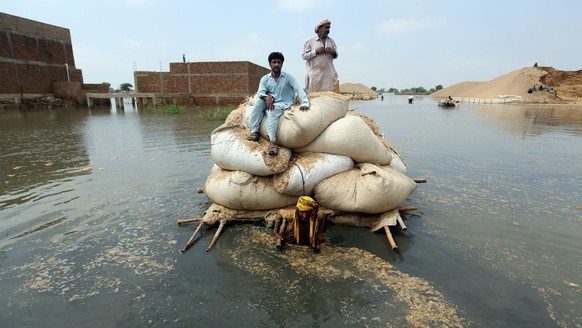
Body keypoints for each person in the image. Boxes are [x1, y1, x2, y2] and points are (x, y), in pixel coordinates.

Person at [247, 52, 309, 155]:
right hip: (268, 101)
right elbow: (261, 92)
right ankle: (254, 132)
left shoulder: (288, 78)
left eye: (278, 62)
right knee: (257, 103)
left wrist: (305, 103)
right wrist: (267, 97)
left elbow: (299, 89)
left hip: (283, 104)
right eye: (274, 62)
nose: (276, 64)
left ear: (282, 64)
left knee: (271, 111)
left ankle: (272, 142)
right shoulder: (265, 79)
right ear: (270, 64)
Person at [302, 18, 338, 93]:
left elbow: (336, 55)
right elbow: (304, 56)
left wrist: (332, 52)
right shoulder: (310, 41)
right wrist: (315, 52)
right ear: (319, 28)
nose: (328, 30)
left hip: (329, 75)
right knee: (314, 98)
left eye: (329, 28)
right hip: (315, 76)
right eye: (326, 27)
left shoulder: (331, 42)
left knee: (328, 99)